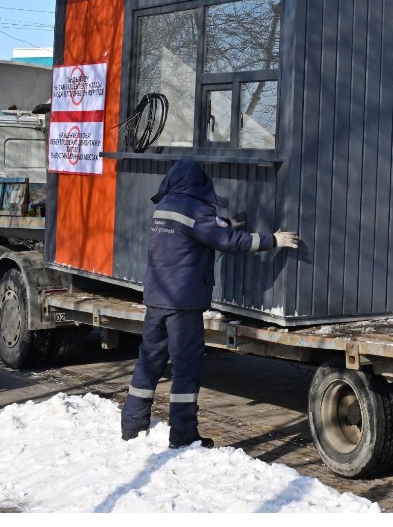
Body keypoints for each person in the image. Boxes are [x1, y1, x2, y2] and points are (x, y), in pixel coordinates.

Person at [120, 158, 300, 448]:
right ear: (197, 182)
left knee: (149, 362)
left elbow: (193, 234)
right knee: (186, 367)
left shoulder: (164, 207)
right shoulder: (195, 209)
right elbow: (229, 241)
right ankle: (183, 435)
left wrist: (223, 224)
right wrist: (273, 239)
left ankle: (132, 426)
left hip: (156, 299)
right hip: (183, 303)